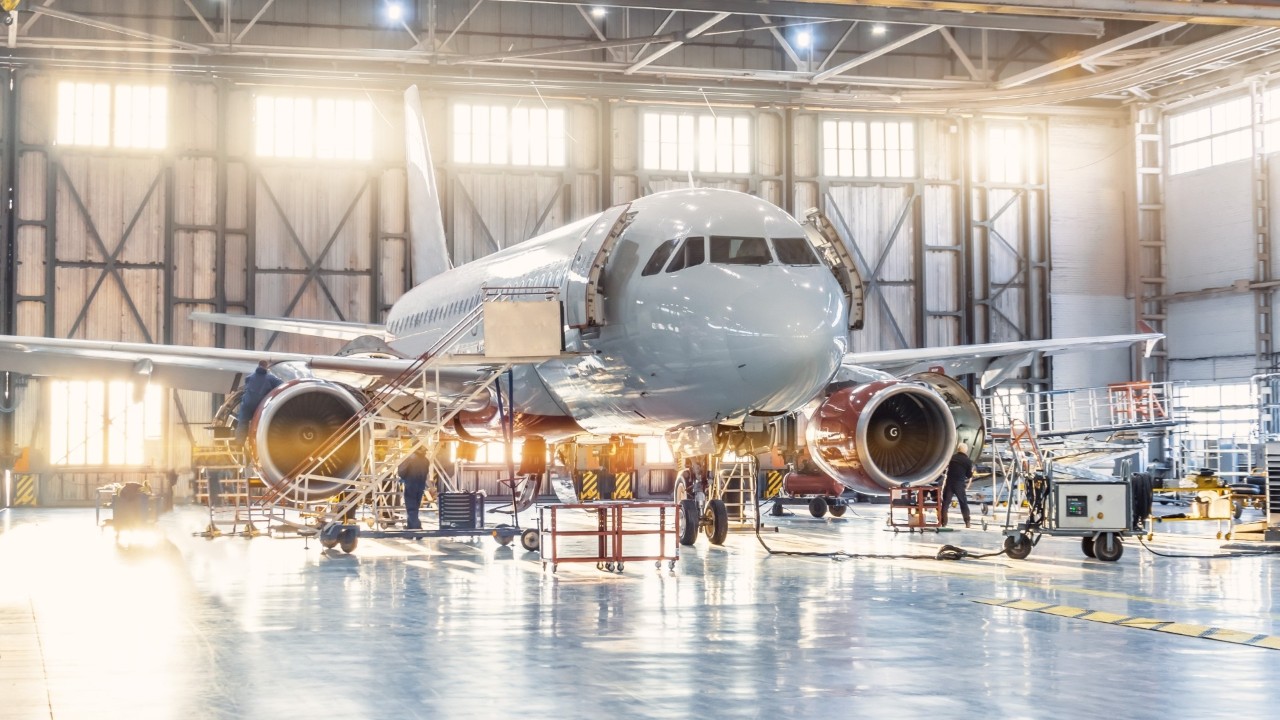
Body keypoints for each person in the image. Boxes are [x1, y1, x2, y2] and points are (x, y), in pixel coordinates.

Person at [235, 360, 282, 445]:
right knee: (263, 424)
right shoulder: (271, 378)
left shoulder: (249, 377)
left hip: (247, 404)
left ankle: (239, 444)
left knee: (242, 422)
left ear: (258, 365)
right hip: (260, 405)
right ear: (266, 367)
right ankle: (261, 443)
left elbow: (247, 388)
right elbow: (282, 385)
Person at [941, 442, 974, 528]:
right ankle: (967, 522)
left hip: (949, 483)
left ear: (957, 449)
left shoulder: (951, 458)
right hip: (959, 484)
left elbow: (945, 469)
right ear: (966, 450)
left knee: (945, 503)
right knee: (963, 503)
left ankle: (943, 522)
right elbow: (969, 475)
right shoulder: (967, 461)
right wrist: (972, 472)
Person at [399, 447, 430, 530]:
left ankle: (417, 528)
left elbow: (401, 472)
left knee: (411, 508)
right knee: (415, 508)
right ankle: (410, 528)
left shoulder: (409, 458)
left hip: (411, 485)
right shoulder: (426, 460)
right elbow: (426, 473)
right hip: (421, 486)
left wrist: (404, 478)